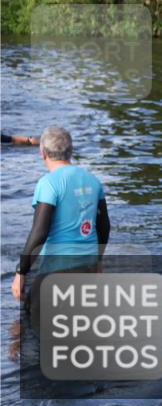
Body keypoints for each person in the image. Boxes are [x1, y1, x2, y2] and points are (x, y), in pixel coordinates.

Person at [11, 126, 110, 317]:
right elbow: (104, 227)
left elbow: (39, 232)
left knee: (28, 320)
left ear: (43, 153)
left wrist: (20, 272)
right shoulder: (93, 180)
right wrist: (98, 261)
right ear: (70, 151)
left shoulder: (48, 183)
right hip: (87, 264)